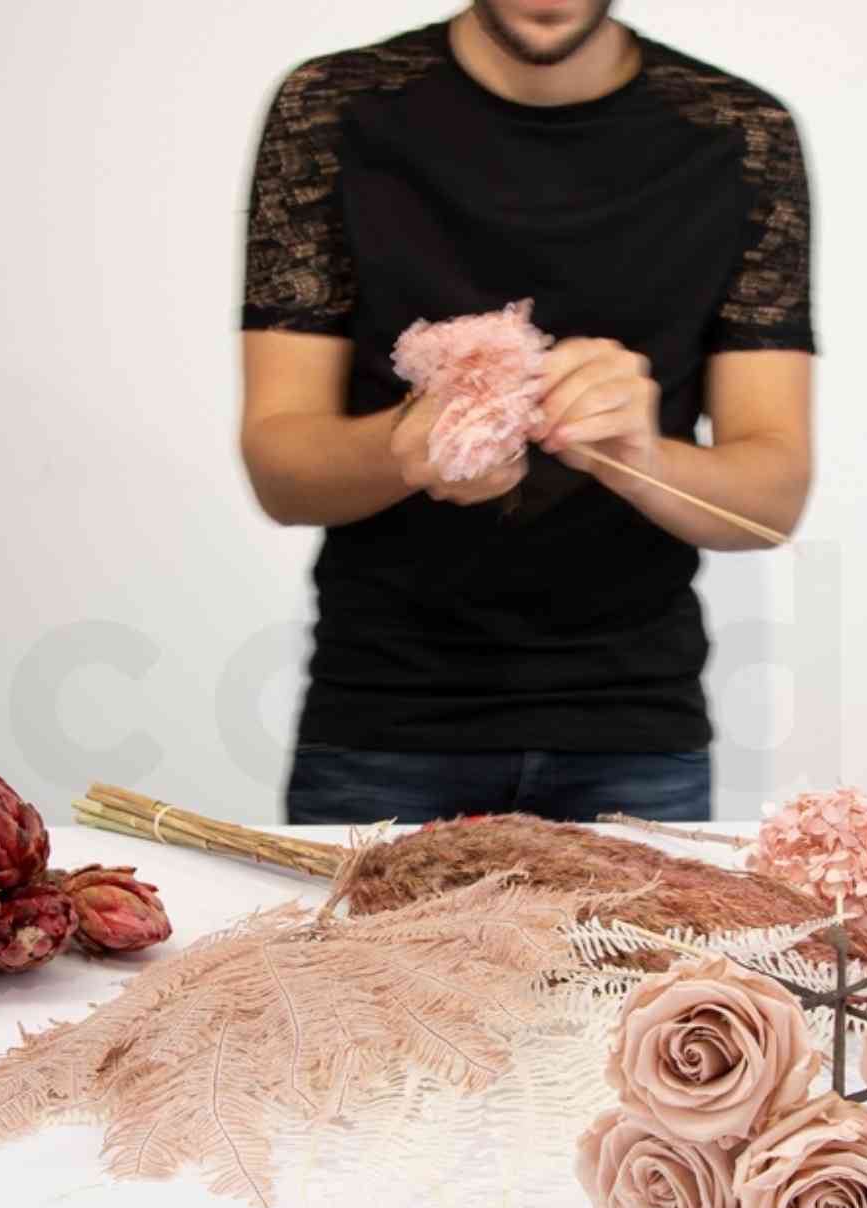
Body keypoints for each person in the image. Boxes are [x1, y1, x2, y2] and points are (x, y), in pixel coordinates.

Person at [238, 1, 815, 825]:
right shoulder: (335, 109)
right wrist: (411, 444)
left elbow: (772, 498)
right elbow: (280, 470)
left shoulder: (737, 135)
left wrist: (640, 454)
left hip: (635, 732)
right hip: (384, 725)